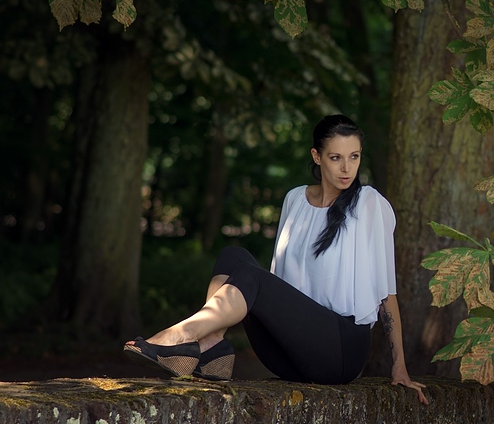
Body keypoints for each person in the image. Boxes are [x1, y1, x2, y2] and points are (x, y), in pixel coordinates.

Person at [124, 115, 428, 405]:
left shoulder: (370, 204)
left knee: (252, 277)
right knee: (234, 257)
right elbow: (279, 284)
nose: (347, 168)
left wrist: (399, 366)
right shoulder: (295, 199)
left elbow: (387, 293)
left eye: (355, 157)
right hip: (290, 352)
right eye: (336, 157)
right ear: (317, 156)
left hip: (338, 353)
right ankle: (212, 348)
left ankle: (182, 336)